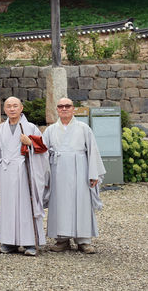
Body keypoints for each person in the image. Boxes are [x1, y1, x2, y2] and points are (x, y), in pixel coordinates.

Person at [44, 98, 105, 254]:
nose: (64, 109)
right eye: (61, 106)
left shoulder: (83, 128)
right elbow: (42, 153)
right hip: (57, 171)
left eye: (67, 106)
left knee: (81, 203)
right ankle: (62, 239)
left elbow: (92, 151)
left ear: (73, 109)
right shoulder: (50, 130)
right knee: (59, 203)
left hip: (80, 170)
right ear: (57, 109)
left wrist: (93, 174)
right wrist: (44, 177)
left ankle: (83, 240)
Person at [0, 97, 49, 256]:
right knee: (8, 207)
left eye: (15, 106)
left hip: (24, 171)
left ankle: (29, 242)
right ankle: (9, 242)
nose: (12, 109)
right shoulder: (0, 129)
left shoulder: (30, 128)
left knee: (25, 206)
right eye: (8, 106)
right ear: (4, 110)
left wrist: (29, 143)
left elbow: (43, 150)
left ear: (21, 108)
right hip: (6, 172)